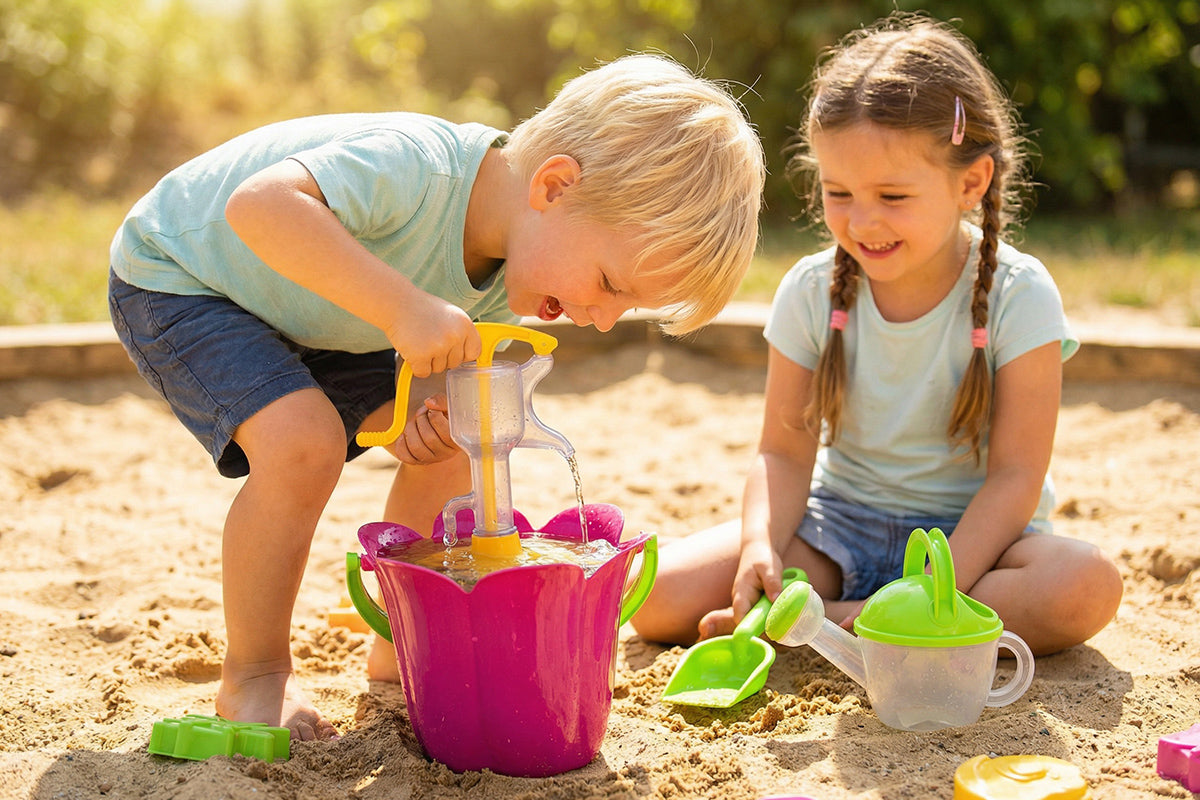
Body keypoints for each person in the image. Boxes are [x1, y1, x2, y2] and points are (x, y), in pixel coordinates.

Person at [108, 53, 765, 740]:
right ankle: (255, 674)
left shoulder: (513, 268)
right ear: (555, 186)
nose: (601, 317)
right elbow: (259, 206)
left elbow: (431, 378)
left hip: (325, 313)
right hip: (185, 278)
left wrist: (424, 412)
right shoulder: (419, 170)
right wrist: (403, 312)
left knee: (454, 443)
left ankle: (403, 654)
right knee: (304, 446)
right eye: (610, 282)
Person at [630, 14, 1122, 657]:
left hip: (972, 548)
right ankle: (859, 622)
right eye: (839, 192)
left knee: (1085, 586)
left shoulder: (1019, 295)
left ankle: (834, 621)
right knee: (656, 597)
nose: (863, 222)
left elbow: (1014, 480)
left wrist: (926, 589)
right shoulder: (811, 293)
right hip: (841, 527)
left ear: (970, 182)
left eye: (892, 195)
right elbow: (781, 454)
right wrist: (759, 544)